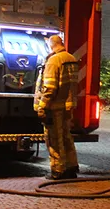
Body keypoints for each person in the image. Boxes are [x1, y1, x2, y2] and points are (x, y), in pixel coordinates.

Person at [34, 34, 80, 179]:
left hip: (54, 107)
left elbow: (50, 88)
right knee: (66, 137)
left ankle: (58, 170)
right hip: (68, 105)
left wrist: (42, 106)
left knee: (54, 139)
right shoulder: (71, 58)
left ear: (51, 45)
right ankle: (71, 167)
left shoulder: (54, 61)